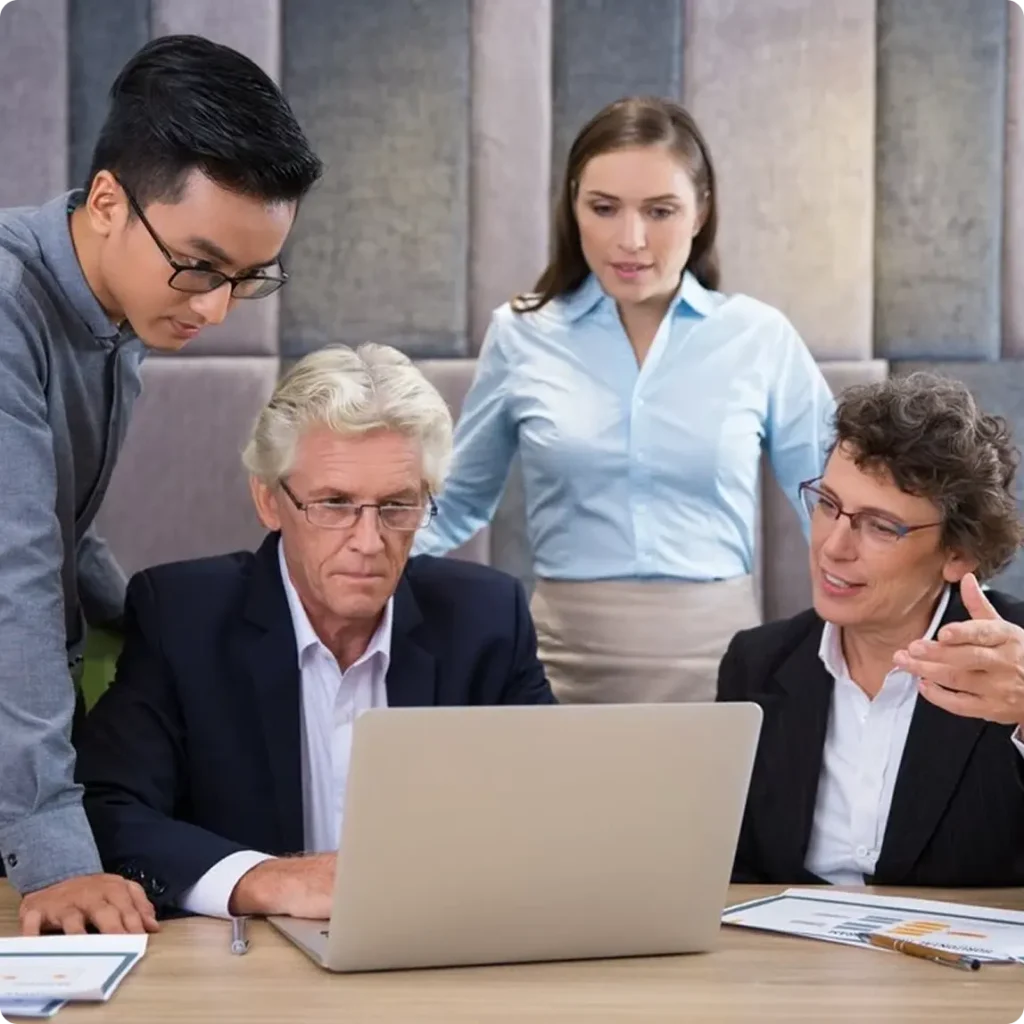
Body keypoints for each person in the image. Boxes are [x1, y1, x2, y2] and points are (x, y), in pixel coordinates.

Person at [0, 34, 322, 935]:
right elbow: (12, 574)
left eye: (248, 279)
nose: (215, 307)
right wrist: (53, 850)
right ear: (108, 201)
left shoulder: (119, 309)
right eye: (199, 265)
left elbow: (53, 521)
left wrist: (164, 627)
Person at [74, 345, 556, 921]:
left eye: (397, 506)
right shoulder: (181, 617)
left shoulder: (487, 618)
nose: (369, 542)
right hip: (244, 962)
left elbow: (553, 810)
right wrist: (264, 880)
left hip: (439, 944)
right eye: (334, 504)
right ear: (269, 501)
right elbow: (108, 808)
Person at [412, 96, 834, 704]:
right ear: (573, 207)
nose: (630, 240)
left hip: (721, 664)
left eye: (660, 211)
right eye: (604, 208)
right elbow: (455, 503)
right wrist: (341, 570)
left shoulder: (758, 336)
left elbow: (831, 502)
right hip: (561, 665)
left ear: (700, 211)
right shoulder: (521, 334)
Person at [718, 372, 1024, 887]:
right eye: (828, 505)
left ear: (958, 554)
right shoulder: (756, 664)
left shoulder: (1012, 662)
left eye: (880, 526)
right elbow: (732, 871)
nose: (833, 546)